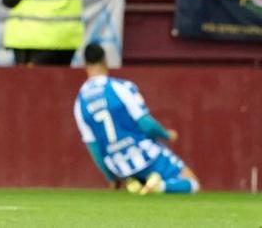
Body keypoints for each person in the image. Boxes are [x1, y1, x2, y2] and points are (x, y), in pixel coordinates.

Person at [75, 43, 200, 195]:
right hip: (144, 154)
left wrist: (111, 178)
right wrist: (166, 135)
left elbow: (94, 147)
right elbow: (145, 123)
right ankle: (157, 186)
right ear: (105, 60)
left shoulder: (79, 103)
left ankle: (138, 183)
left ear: (84, 65)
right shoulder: (120, 87)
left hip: (119, 166)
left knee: (138, 177)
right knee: (192, 183)